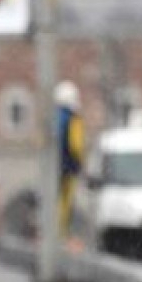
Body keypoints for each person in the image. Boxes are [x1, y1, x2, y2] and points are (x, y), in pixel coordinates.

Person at [56, 81, 84, 240]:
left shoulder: (54, 116)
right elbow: (76, 145)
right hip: (68, 166)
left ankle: (54, 233)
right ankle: (61, 234)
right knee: (66, 203)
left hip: (54, 167)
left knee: (55, 200)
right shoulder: (73, 119)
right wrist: (79, 164)